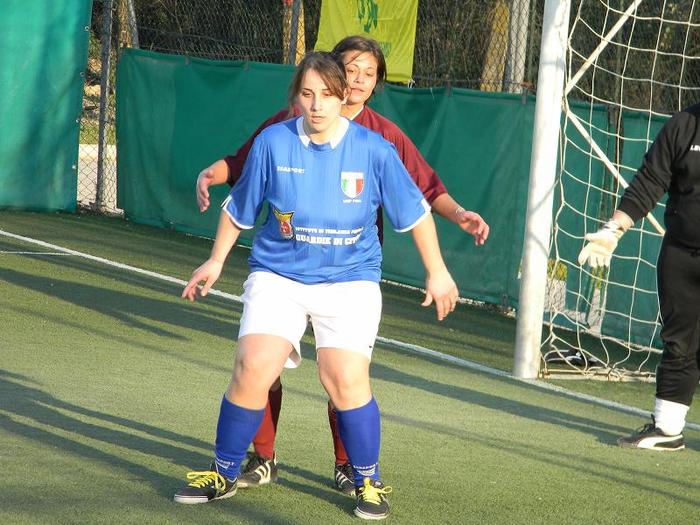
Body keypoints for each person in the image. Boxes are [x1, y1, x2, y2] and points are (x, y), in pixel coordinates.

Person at [194, 35, 489, 494]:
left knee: (343, 377)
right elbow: (243, 168)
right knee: (256, 365)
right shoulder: (280, 132)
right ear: (306, 89)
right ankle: (246, 462)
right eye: (348, 71)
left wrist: (443, 256)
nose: (353, 82)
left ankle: (358, 471)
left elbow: (424, 195)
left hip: (349, 276)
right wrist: (216, 253)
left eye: (366, 74)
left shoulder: (379, 142)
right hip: (282, 273)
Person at [578, 102, 700, 452]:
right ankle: (667, 429)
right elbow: (650, 179)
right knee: (679, 343)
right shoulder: (683, 125)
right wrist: (613, 229)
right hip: (681, 256)